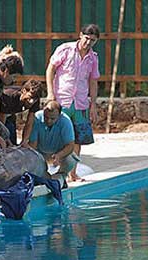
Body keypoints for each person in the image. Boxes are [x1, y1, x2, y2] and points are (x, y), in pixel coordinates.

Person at [46, 24, 100, 182]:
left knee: (77, 139)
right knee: (57, 136)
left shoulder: (93, 58)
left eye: (93, 40)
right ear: (80, 35)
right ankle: (51, 169)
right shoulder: (65, 49)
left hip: (80, 103)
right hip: (62, 100)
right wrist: (50, 93)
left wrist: (93, 104)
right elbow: (51, 69)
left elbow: (93, 81)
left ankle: (72, 173)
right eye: (87, 38)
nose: (88, 43)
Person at [29, 100, 77, 178]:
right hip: (41, 153)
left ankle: (61, 176)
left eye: (52, 118)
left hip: (58, 152)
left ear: (59, 115)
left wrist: (59, 155)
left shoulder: (65, 121)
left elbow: (70, 145)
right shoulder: (37, 117)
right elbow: (32, 144)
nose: (48, 121)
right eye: (46, 117)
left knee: (70, 161)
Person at [0, 79, 43, 146]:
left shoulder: (35, 100)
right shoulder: (9, 96)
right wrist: (6, 140)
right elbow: (1, 123)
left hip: (10, 116)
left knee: (13, 142)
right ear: (24, 91)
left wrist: (24, 140)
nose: (32, 101)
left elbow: (29, 122)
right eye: (30, 97)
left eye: (35, 99)